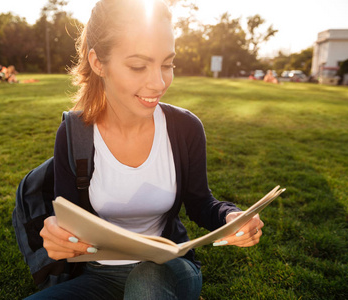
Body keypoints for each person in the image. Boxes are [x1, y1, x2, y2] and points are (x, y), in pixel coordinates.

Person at [26, 0, 265, 299]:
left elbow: (201, 203)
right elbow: (67, 217)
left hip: (167, 267)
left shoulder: (185, 128)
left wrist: (232, 217)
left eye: (167, 64)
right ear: (98, 63)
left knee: (147, 284)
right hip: (99, 275)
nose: (159, 82)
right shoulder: (74, 133)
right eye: (139, 66)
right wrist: (55, 230)